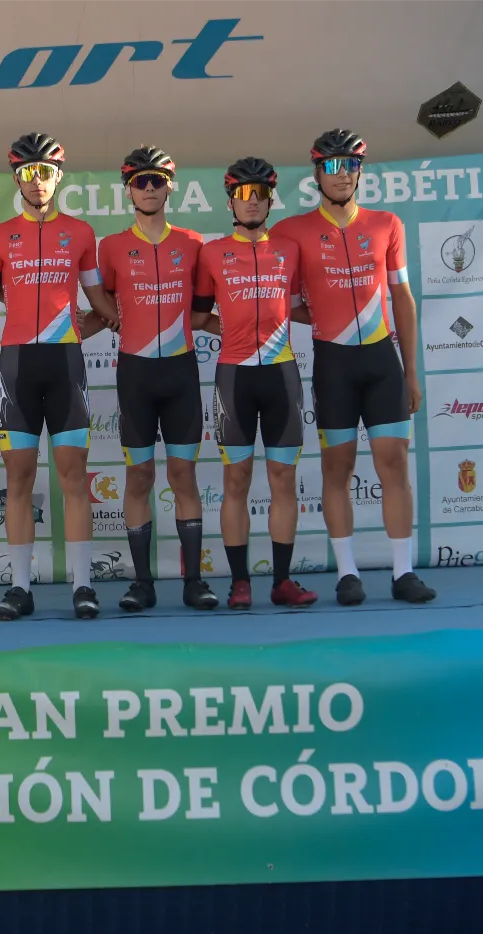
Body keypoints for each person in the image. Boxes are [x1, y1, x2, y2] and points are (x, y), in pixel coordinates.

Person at [0, 132, 121, 620]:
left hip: (65, 365)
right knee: (18, 478)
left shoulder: (81, 233)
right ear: (16, 179)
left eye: (44, 172)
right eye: (27, 173)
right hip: (16, 369)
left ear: (58, 176)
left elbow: (99, 301)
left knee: (74, 477)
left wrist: (126, 316)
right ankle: (20, 589)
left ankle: (83, 586)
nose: (37, 181)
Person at [270, 129, 436, 605]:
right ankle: (347, 573)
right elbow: (282, 301)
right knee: (337, 468)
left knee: (393, 463)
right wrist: (325, 317)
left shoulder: (386, 224)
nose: (342, 175)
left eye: (351, 165)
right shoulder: (290, 231)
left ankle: (403, 572)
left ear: (360, 172)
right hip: (333, 363)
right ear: (316, 174)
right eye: (331, 166)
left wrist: (411, 371)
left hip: (382, 360)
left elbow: (402, 298)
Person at [191, 158, 317, 610]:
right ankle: (239, 582)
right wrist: (230, 330)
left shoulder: (289, 250)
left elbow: (303, 305)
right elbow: (198, 316)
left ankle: (282, 582)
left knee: (283, 478)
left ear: (269, 200)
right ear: (230, 202)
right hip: (235, 376)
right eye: (242, 194)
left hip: (281, 374)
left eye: (259, 194)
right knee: (236, 479)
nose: (251, 202)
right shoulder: (212, 253)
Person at [96, 146, 217, 612]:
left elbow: (204, 312)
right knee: (139, 475)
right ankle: (142, 583)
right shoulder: (111, 247)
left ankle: (194, 582)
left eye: (157, 181)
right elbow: (102, 308)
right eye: (140, 181)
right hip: (136, 375)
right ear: (128, 189)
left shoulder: (193, 243)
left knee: (183, 474)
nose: (149, 188)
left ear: (170, 187)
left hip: (181, 372)